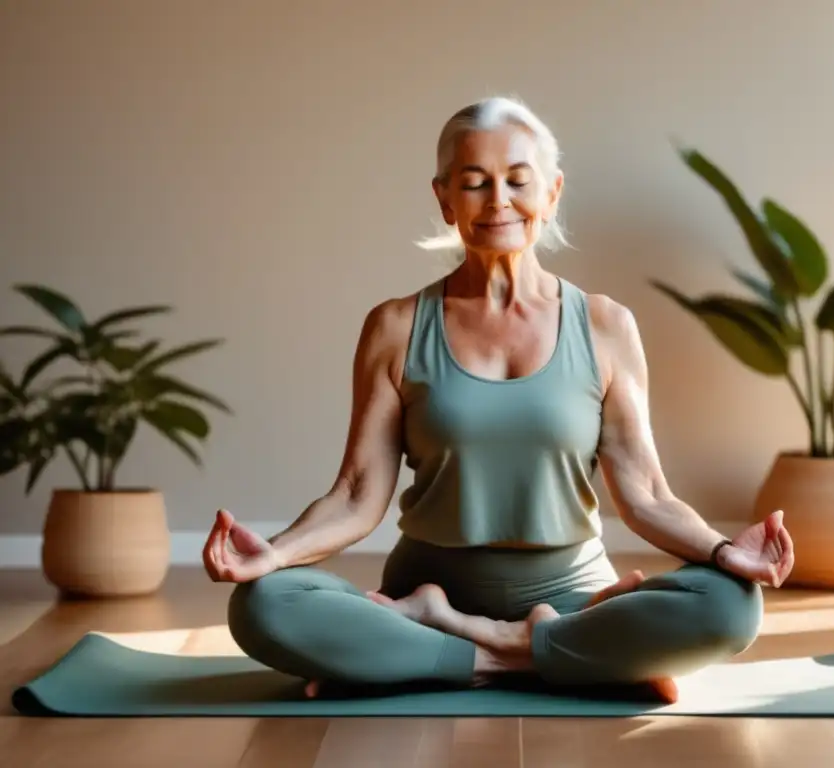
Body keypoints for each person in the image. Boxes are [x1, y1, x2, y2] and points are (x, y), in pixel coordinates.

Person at [201, 96, 795, 704]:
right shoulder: (396, 327)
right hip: (429, 584)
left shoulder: (607, 327)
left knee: (730, 606)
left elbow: (645, 495)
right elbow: (357, 494)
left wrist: (726, 553)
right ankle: (554, 655)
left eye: (517, 180)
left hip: (572, 597)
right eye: (475, 183)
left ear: (553, 191)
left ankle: (440, 646)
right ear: (444, 198)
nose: (498, 201)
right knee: (264, 605)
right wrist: (271, 556)